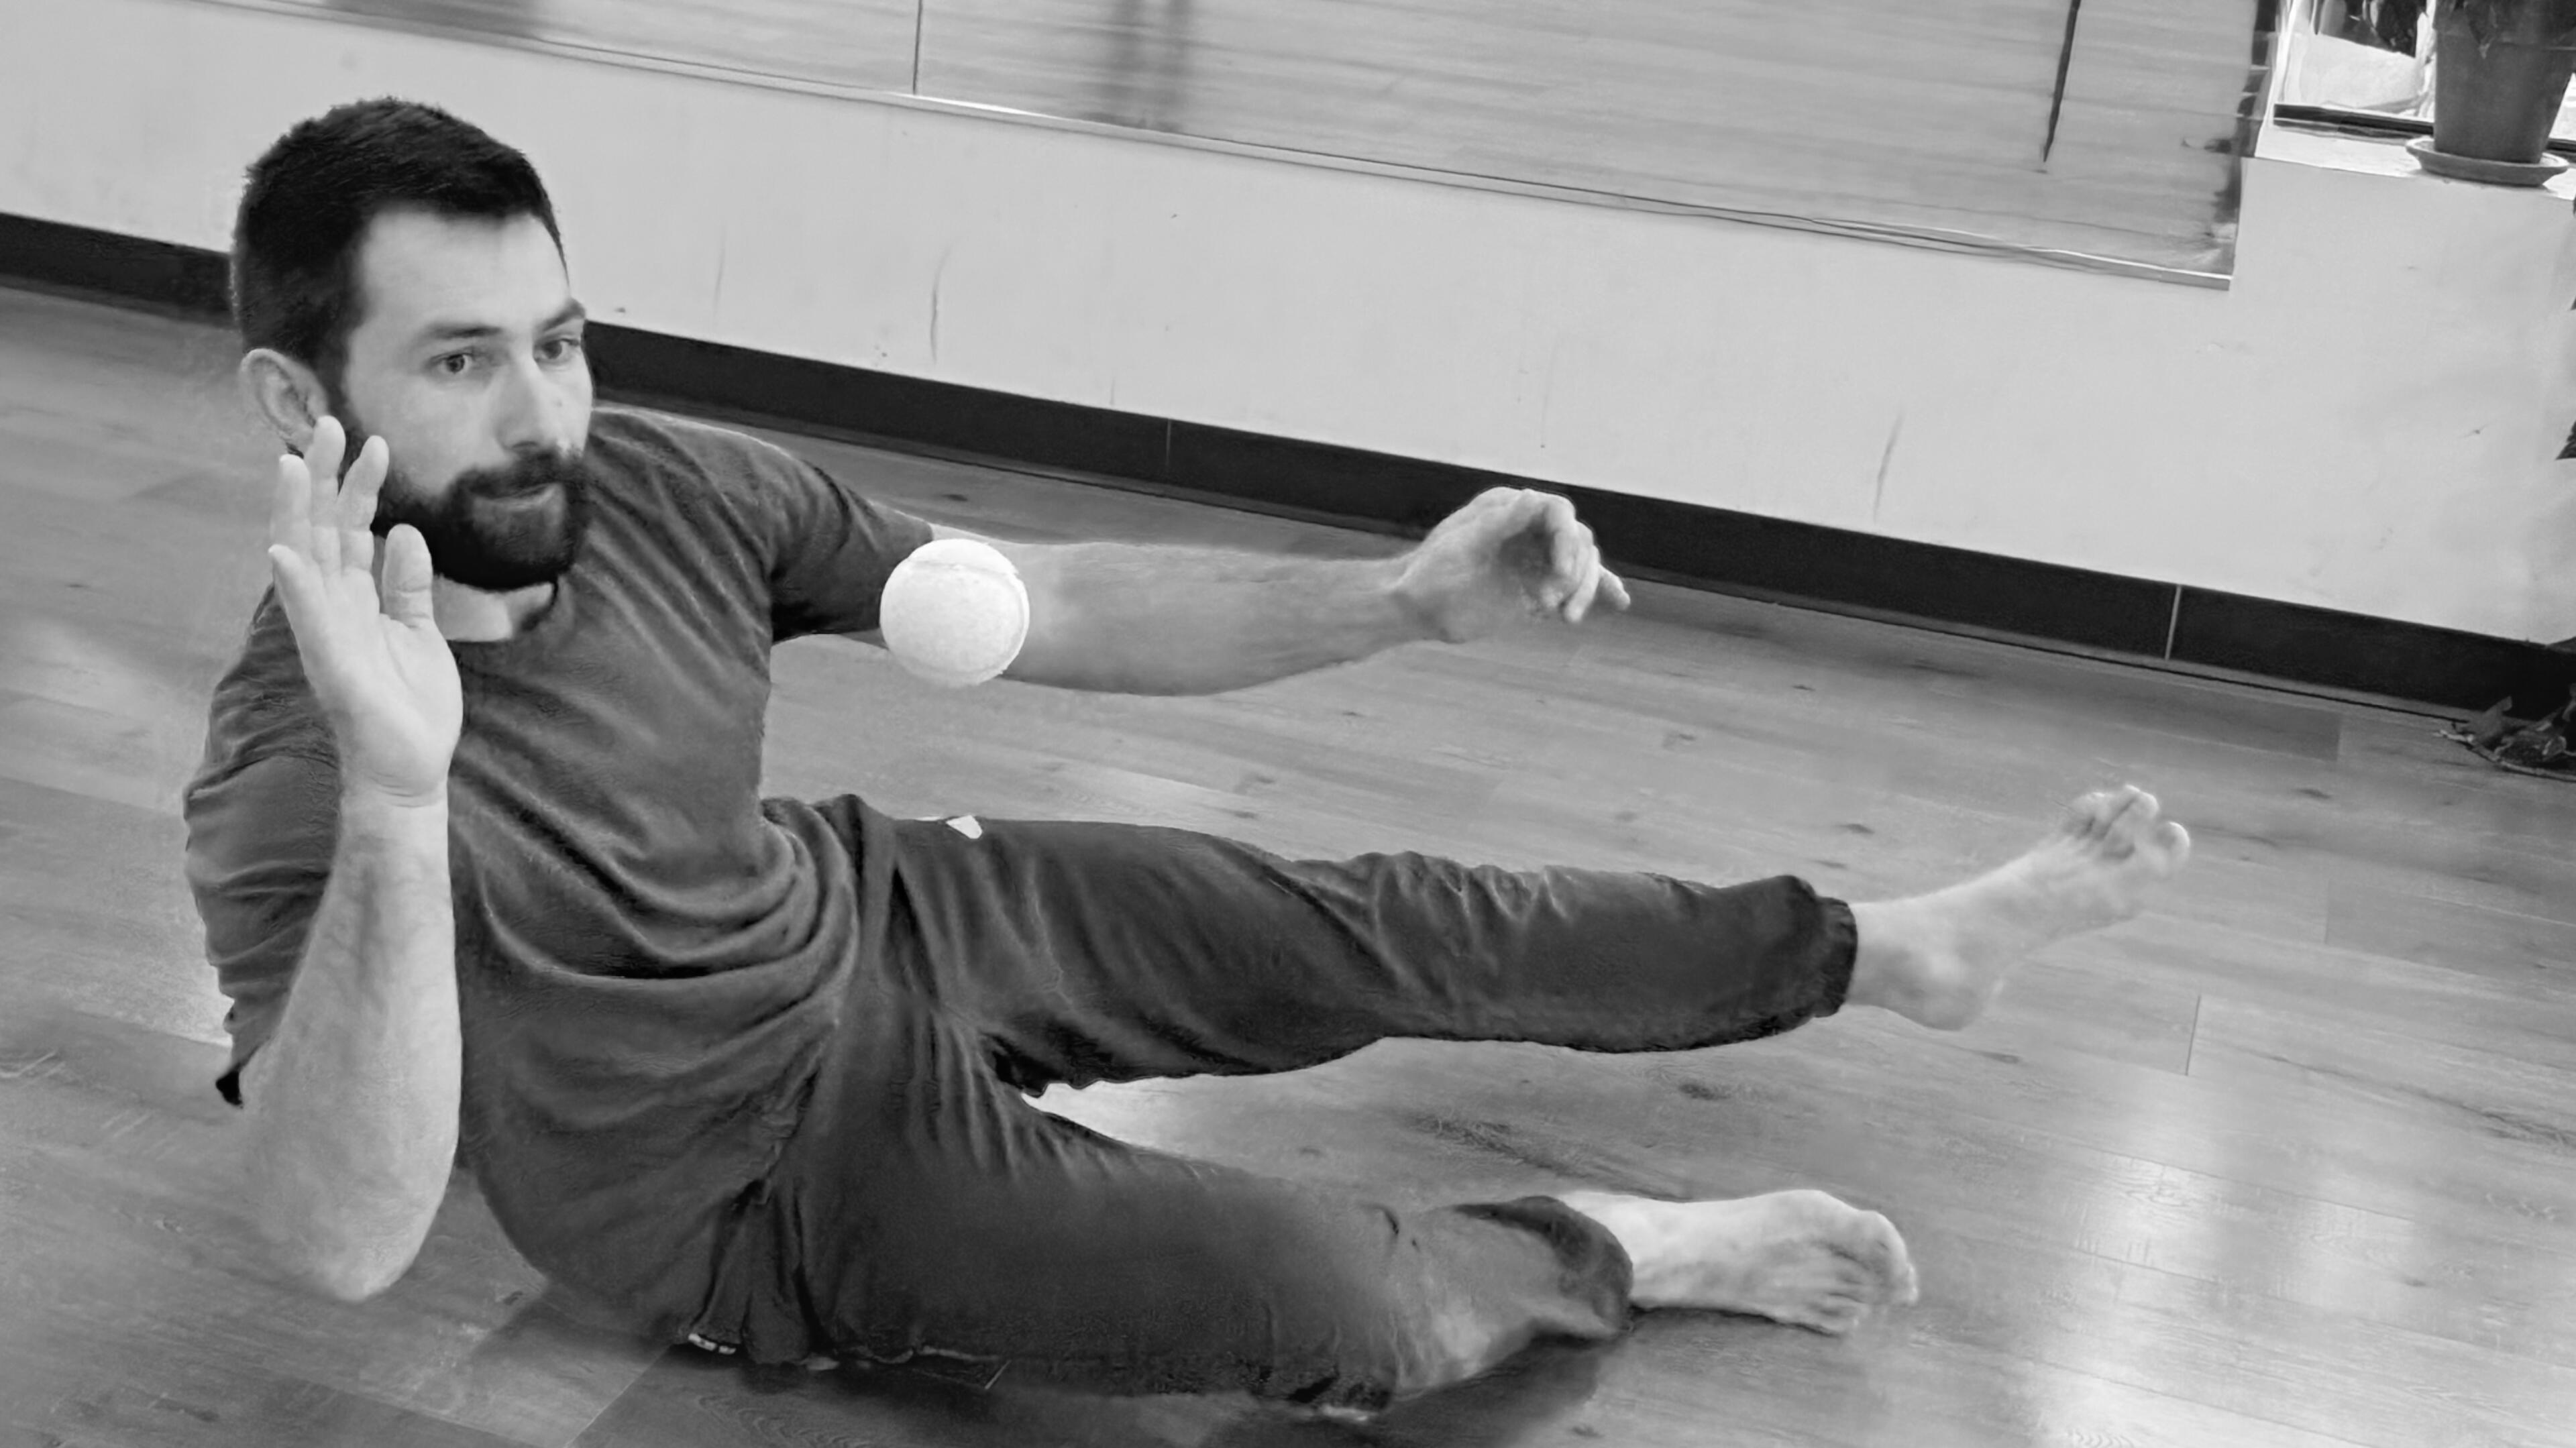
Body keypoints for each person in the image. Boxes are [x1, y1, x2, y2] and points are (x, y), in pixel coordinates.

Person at [186, 97, 2192, 1418]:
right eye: (462, 362)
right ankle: (1629, 1247)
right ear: (298, 398)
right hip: (747, 1187)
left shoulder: (670, 485)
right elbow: (338, 1240)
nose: (546, 418)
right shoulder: (298, 772)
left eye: (559, 339)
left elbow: (1044, 602)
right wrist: (402, 795)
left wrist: (1396, 601)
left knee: (1379, 922)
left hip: (863, 910)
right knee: (1351, 1315)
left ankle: (1886, 947)